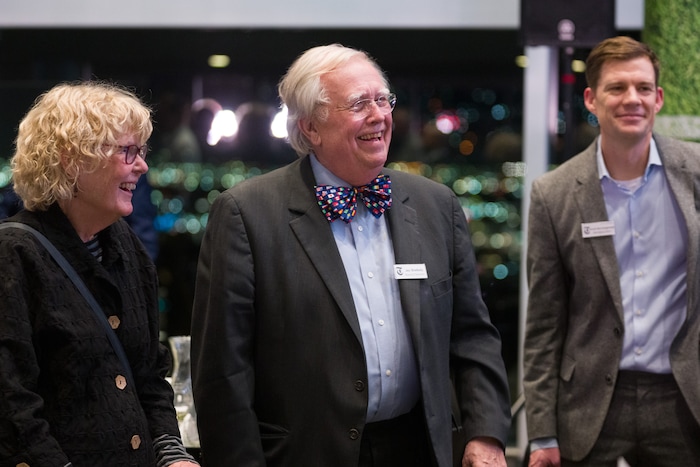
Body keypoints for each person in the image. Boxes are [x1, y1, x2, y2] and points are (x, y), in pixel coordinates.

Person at [190, 44, 511, 467]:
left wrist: (486, 434)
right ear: (311, 128)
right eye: (359, 104)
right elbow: (223, 375)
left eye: (383, 99)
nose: (379, 115)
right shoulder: (246, 214)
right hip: (303, 453)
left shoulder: (435, 204)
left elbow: (471, 335)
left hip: (419, 449)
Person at [0, 81, 199, 467]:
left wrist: (173, 455)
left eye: (141, 151)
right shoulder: (14, 253)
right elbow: (12, 406)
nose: (141, 165)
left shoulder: (127, 246)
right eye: (127, 151)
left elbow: (150, 376)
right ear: (71, 159)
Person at [523, 36, 700, 466]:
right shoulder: (554, 193)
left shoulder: (695, 174)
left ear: (658, 98)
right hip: (590, 402)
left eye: (642, 88)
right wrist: (541, 432)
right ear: (591, 99)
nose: (631, 99)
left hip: (683, 398)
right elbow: (545, 324)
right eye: (616, 88)